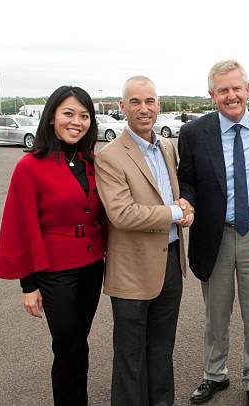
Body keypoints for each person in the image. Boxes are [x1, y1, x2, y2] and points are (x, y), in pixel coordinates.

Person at [0, 85, 106, 405]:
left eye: (84, 116)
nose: (77, 122)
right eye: (68, 113)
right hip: (55, 270)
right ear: (52, 118)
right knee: (66, 345)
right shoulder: (30, 166)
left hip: (92, 264)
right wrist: (28, 284)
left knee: (80, 342)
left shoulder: (93, 162)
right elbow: (20, 226)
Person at [178, 60, 249, 406]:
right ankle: (214, 375)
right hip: (215, 234)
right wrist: (186, 201)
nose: (231, 95)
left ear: (248, 90)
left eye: (237, 88)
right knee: (216, 313)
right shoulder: (194, 133)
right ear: (212, 95)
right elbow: (187, 179)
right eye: (223, 90)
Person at [95, 75, 192, 406]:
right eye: (135, 102)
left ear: (158, 106)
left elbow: (172, 197)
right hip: (132, 269)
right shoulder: (109, 156)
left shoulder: (166, 146)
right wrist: (175, 214)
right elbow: (122, 214)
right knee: (130, 355)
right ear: (122, 107)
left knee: (162, 349)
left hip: (170, 260)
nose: (143, 108)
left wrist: (184, 209)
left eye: (149, 101)